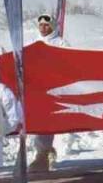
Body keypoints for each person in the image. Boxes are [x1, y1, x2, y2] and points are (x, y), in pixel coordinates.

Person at [28, 14, 68, 173]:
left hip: (53, 88)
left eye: (47, 25)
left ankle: (44, 154)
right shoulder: (32, 43)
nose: (44, 28)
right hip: (36, 89)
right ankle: (42, 154)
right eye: (41, 25)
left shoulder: (61, 43)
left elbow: (68, 64)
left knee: (48, 123)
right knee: (37, 122)